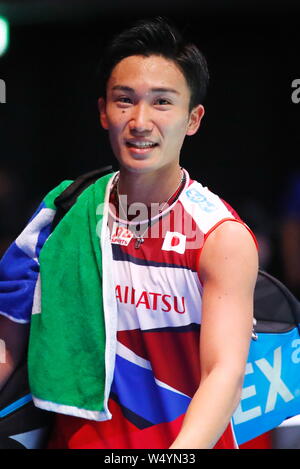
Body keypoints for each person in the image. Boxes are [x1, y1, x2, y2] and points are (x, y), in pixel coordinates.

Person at [0, 17, 258, 449]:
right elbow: (7, 343)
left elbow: (224, 375)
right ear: (104, 110)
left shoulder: (219, 236)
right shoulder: (64, 212)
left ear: (193, 119)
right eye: (125, 100)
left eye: (162, 103)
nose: (140, 121)